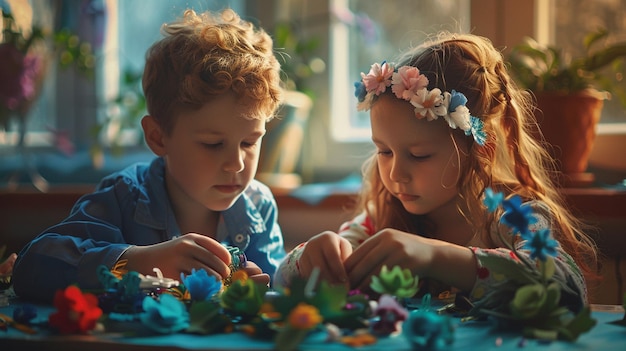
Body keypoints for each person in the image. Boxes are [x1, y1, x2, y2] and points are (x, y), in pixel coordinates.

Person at [274, 32, 598, 313]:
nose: (395, 173)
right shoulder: (380, 219)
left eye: (419, 155)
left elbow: (567, 287)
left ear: (481, 148)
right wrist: (312, 257)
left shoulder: (512, 215)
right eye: (384, 151)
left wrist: (437, 256)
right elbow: (283, 280)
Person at [13, 8, 286, 302]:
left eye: (249, 142)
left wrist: (275, 280)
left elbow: (276, 284)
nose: (236, 164)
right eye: (212, 144)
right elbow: (32, 267)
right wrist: (135, 261)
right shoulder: (124, 197)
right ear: (158, 136)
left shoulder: (258, 206)